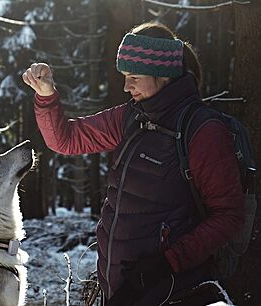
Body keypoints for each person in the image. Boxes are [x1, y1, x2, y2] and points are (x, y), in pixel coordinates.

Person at [22, 22, 244, 305]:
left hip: (174, 291)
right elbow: (66, 139)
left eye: (134, 76)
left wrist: (167, 263)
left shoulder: (203, 130)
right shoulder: (131, 117)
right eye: (125, 76)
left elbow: (228, 215)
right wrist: (46, 96)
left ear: (163, 75)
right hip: (121, 289)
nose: (126, 86)